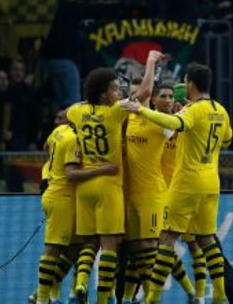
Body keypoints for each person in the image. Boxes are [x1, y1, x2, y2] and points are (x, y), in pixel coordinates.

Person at [126, 63, 232, 304]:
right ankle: (219, 294)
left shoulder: (192, 110)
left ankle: (153, 297)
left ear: (190, 84)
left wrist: (140, 110)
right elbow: (227, 140)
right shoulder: (220, 110)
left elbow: (174, 124)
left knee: (166, 237)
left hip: (187, 182)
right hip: (211, 182)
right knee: (206, 238)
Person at [66, 52, 163, 304]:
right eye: (113, 89)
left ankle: (80, 283)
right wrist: (150, 62)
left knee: (89, 242)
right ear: (102, 95)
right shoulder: (114, 113)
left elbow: (68, 113)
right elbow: (145, 92)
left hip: (84, 187)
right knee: (110, 243)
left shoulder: (77, 111)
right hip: (108, 185)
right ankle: (102, 298)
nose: (118, 93)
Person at [121, 79, 198, 304]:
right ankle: (130, 297)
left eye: (170, 96)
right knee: (138, 248)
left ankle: (186, 294)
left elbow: (177, 125)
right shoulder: (129, 120)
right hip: (133, 193)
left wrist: (186, 107)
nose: (167, 100)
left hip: (160, 192)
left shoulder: (167, 124)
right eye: (163, 96)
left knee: (158, 246)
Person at [35, 109, 118, 304]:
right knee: (53, 248)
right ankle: (41, 298)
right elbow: (71, 174)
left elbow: (46, 146)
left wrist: (50, 171)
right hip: (62, 196)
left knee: (76, 247)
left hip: (57, 194)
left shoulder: (59, 131)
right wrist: (102, 170)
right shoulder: (74, 140)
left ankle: (62, 294)